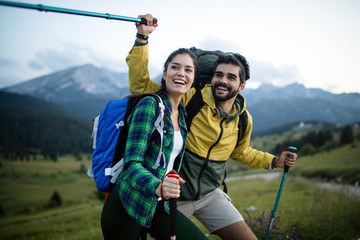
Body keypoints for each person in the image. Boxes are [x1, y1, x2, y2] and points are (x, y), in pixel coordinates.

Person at [126, 14, 298, 240]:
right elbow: (141, 86)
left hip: (210, 195)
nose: (222, 81)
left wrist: (274, 161)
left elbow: (241, 152)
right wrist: (142, 38)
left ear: (242, 86)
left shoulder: (243, 119)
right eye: (218, 75)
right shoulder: (191, 99)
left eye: (230, 77)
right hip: (176, 198)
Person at [101, 30, 208, 239]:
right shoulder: (150, 105)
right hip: (127, 204)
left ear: (193, 79)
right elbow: (132, 165)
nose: (181, 73)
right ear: (165, 72)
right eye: (175, 67)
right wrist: (158, 186)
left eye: (188, 70)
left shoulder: (182, 116)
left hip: (158, 204)